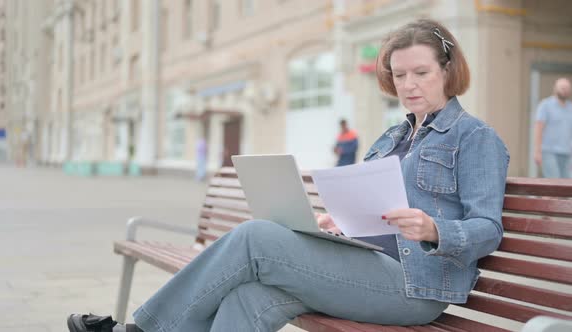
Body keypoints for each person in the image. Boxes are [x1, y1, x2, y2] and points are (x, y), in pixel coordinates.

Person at [67, 19, 509, 332]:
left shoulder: (474, 138)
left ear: (448, 70)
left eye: (421, 73)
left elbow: (487, 229)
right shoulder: (391, 137)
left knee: (256, 238)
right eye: (399, 75)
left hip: (416, 286)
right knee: (250, 297)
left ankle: (144, 330)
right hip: (365, 267)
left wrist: (434, 228)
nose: (408, 84)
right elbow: (375, 210)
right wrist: (340, 222)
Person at [533, 78, 572, 178]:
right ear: (555, 88)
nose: (565, 90)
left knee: (567, 186)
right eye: (562, 87)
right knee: (554, 182)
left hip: (567, 153)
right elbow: (538, 129)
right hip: (549, 152)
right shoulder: (545, 105)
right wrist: (537, 151)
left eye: (567, 88)